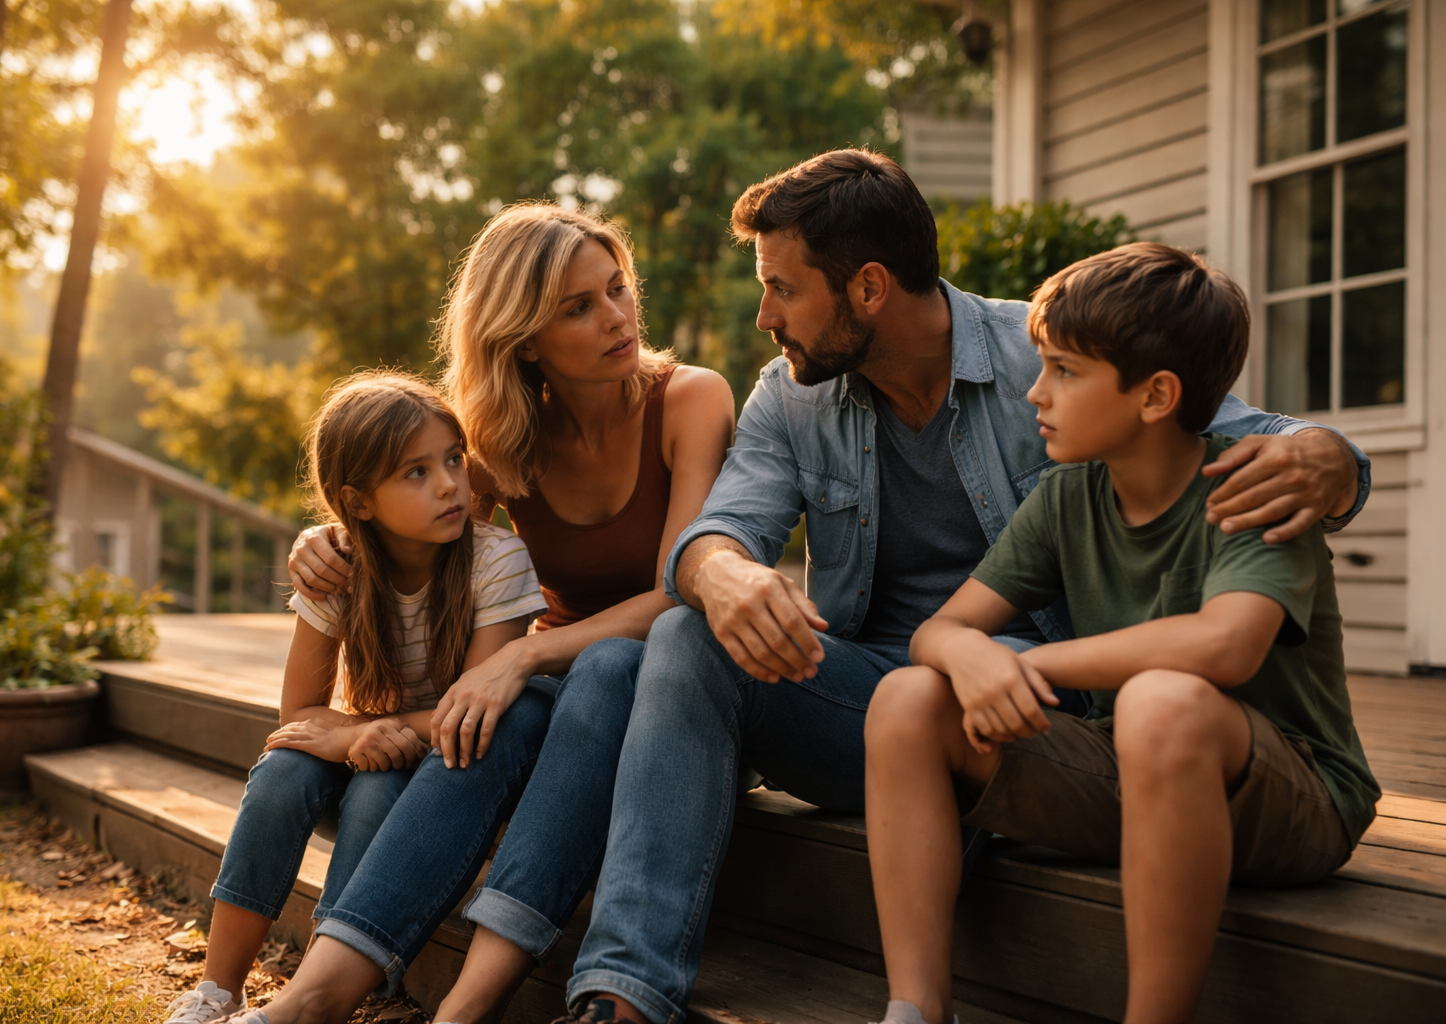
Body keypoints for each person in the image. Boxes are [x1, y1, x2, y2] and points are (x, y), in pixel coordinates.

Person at [552, 150, 1372, 1024]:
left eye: (784, 289)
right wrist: (723, 574)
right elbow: (711, 537)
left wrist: (1333, 458)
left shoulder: (1050, 355)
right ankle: (625, 995)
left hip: (1051, 718)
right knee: (688, 633)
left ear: (868, 288)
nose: (765, 316)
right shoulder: (791, 398)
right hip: (895, 708)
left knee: (1061, 686)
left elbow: (1238, 434)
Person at [225, 204, 734, 1024]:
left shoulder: (690, 400)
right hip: (557, 701)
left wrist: (525, 656)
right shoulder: (499, 442)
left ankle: (465, 1007)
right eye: (578, 306)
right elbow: (417, 523)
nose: (617, 318)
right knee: (485, 714)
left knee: (588, 670)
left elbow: (684, 589)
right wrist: (330, 540)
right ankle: (318, 995)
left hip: (683, 702)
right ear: (524, 338)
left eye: (617, 289)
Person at [866, 243, 1379, 1024]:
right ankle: (917, 1010)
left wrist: (1030, 665)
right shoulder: (1067, 496)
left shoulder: (1251, 485)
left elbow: (1224, 646)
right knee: (907, 699)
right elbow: (941, 631)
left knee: (1160, 702)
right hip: (1134, 781)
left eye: (1065, 371)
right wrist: (969, 653)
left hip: (1295, 799)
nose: (1035, 394)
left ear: (1156, 396)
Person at [165, 371, 547, 1024]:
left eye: (453, 460)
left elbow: (478, 707)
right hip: (366, 742)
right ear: (358, 501)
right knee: (284, 770)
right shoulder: (337, 568)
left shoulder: (496, 560)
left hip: (446, 773)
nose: (452, 484)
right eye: (416, 473)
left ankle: (321, 992)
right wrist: (351, 736)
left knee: (375, 785)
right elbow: (298, 716)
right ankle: (216, 990)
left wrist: (373, 731)